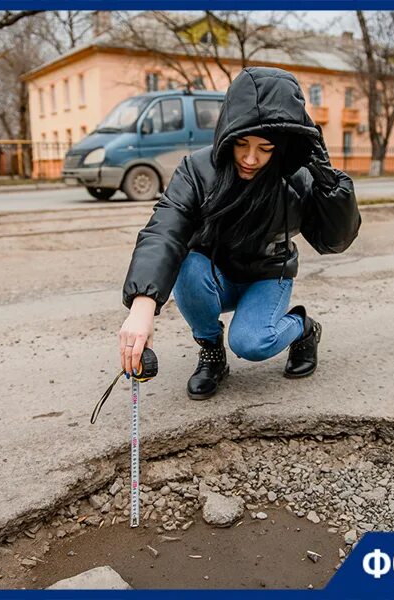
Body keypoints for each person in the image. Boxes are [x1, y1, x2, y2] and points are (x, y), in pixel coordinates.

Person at [119, 66, 361, 400]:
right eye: (242, 144)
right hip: (213, 274)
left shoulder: (297, 177)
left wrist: (328, 183)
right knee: (187, 263)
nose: (250, 158)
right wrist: (142, 306)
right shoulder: (198, 170)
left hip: (267, 275)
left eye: (265, 148)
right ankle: (212, 352)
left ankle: (303, 329)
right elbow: (165, 230)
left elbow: (335, 241)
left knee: (252, 343)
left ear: (282, 145)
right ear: (228, 132)